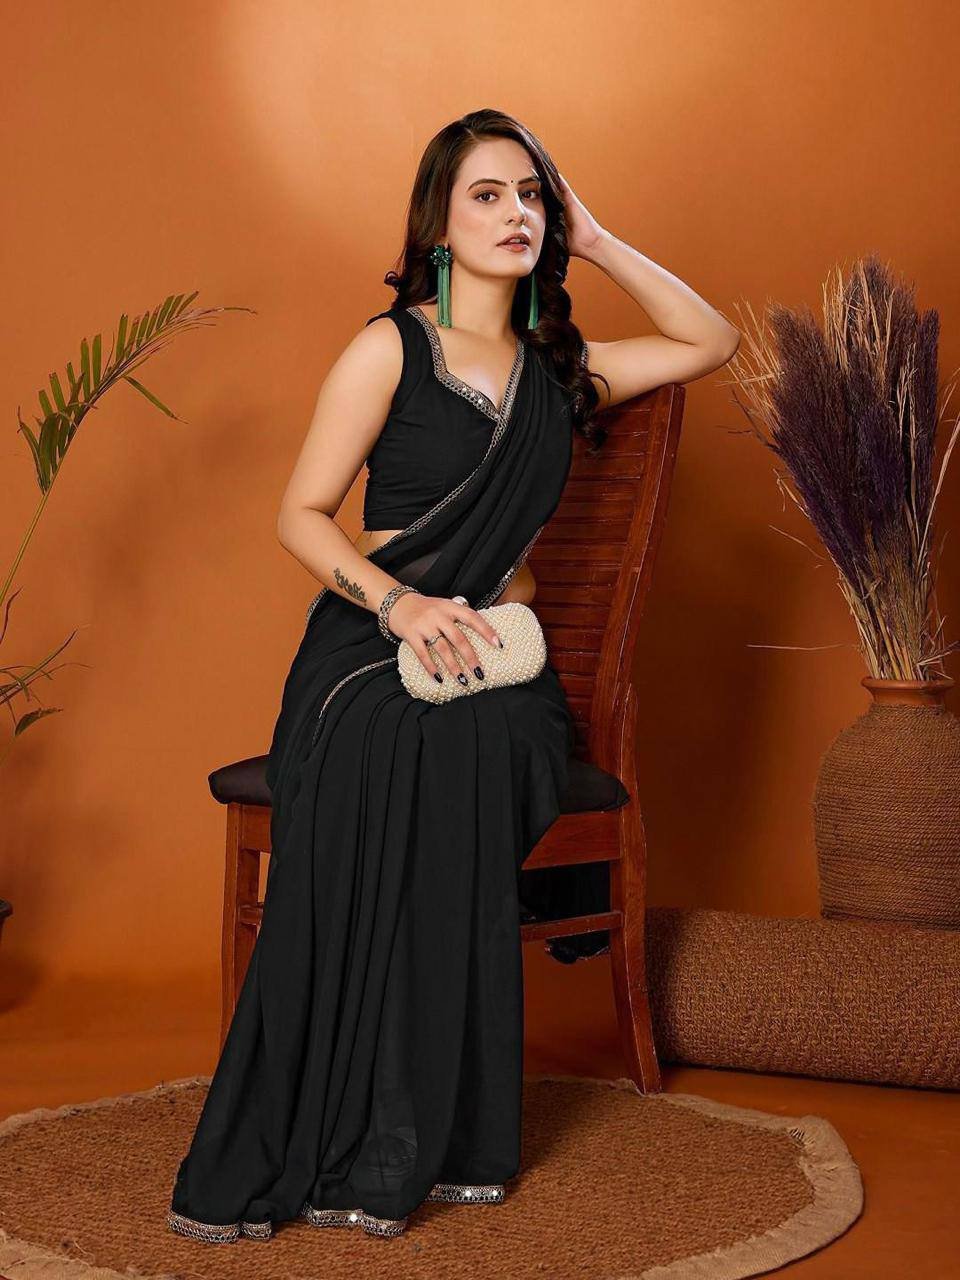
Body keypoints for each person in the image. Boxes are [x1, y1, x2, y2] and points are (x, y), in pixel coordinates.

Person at [166, 109, 740, 1244]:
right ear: (437, 222)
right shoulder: (389, 350)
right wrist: (402, 604)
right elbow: (300, 514)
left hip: (501, 666)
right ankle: (333, 1111)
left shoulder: (564, 374)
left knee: (467, 745)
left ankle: (426, 1124)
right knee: (389, 743)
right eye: (488, 194)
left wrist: (598, 240)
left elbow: (710, 339)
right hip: (369, 647)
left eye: (532, 195)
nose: (516, 213)